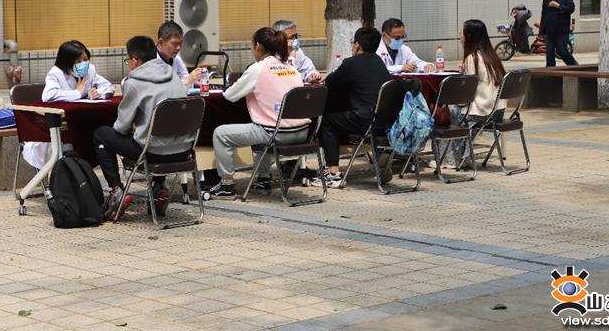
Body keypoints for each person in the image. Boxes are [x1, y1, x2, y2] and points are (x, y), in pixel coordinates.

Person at [206, 27, 310, 199]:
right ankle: (263, 178)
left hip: (276, 134)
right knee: (262, 125)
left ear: (258, 46)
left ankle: (226, 186)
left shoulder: (258, 68)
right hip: (302, 133)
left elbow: (230, 96)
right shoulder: (291, 68)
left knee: (221, 134)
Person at [93, 36, 188, 220]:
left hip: (152, 153)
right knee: (158, 135)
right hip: (184, 151)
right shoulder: (174, 75)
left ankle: (116, 191)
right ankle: (158, 187)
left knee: (101, 135)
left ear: (135, 59)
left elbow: (121, 127)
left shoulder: (134, 83)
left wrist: (133, 128)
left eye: (128, 60)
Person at [312, 27, 391, 188]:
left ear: (357, 45)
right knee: (340, 117)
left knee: (328, 121)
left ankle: (333, 173)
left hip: (365, 121)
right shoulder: (379, 62)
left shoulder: (351, 63)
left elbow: (329, 82)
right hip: (385, 122)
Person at [25, 40, 114, 169]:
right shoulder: (56, 73)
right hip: (62, 127)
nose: (83, 63)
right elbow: (48, 96)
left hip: (84, 121)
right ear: (67, 62)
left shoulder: (90, 70)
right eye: (78, 61)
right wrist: (77, 93)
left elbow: (108, 86)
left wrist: (98, 93)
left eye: (85, 59)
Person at [444, 19, 507, 167]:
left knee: (447, 111)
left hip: (481, 112)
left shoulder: (473, 58)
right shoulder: (491, 56)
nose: (460, 36)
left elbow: (466, 95)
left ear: (469, 36)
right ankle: (463, 155)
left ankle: (452, 159)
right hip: (498, 111)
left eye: (462, 32)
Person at [540, 0, 578, 67]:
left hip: (562, 30)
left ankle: (573, 66)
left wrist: (558, 6)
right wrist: (542, 31)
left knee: (561, 50)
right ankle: (550, 71)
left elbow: (571, 9)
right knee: (549, 52)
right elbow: (544, 14)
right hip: (549, 30)